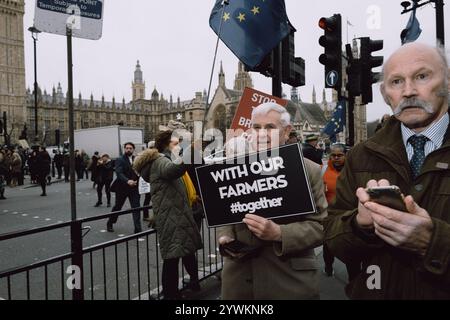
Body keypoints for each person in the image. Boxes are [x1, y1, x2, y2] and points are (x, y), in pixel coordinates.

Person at [324, 42, 450, 299]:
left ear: (447, 83)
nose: (408, 91)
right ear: (384, 94)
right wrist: (360, 225)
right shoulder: (362, 155)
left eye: (422, 76)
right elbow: (333, 239)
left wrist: (432, 242)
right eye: (396, 82)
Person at [218, 102, 328, 300]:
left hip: (289, 282)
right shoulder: (235, 169)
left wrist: (279, 233)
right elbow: (226, 212)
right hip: (240, 283)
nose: (261, 134)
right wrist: (225, 235)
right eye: (257, 127)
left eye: (270, 128)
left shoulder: (309, 170)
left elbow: (321, 227)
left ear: (286, 132)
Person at [133, 130, 202, 299]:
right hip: (172, 216)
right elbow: (174, 170)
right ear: (166, 144)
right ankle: (171, 293)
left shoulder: (164, 158)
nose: (178, 144)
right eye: (175, 142)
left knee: (180, 253)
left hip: (175, 214)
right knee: (172, 257)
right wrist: (192, 149)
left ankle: (180, 288)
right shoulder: (161, 160)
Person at [106, 142, 142, 234]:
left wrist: (139, 180)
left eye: (130, 148)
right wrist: (127, 181)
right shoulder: (120, 159)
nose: (128, 149)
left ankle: (137, 229)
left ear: (133, 149)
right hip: (122, 188)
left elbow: (140, 171)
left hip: (134, 188)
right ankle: (110, 222)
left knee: (136, 207)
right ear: (124, 149)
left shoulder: (137, 159)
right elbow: (119, 173)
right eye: (127, 148)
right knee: (118, 207)